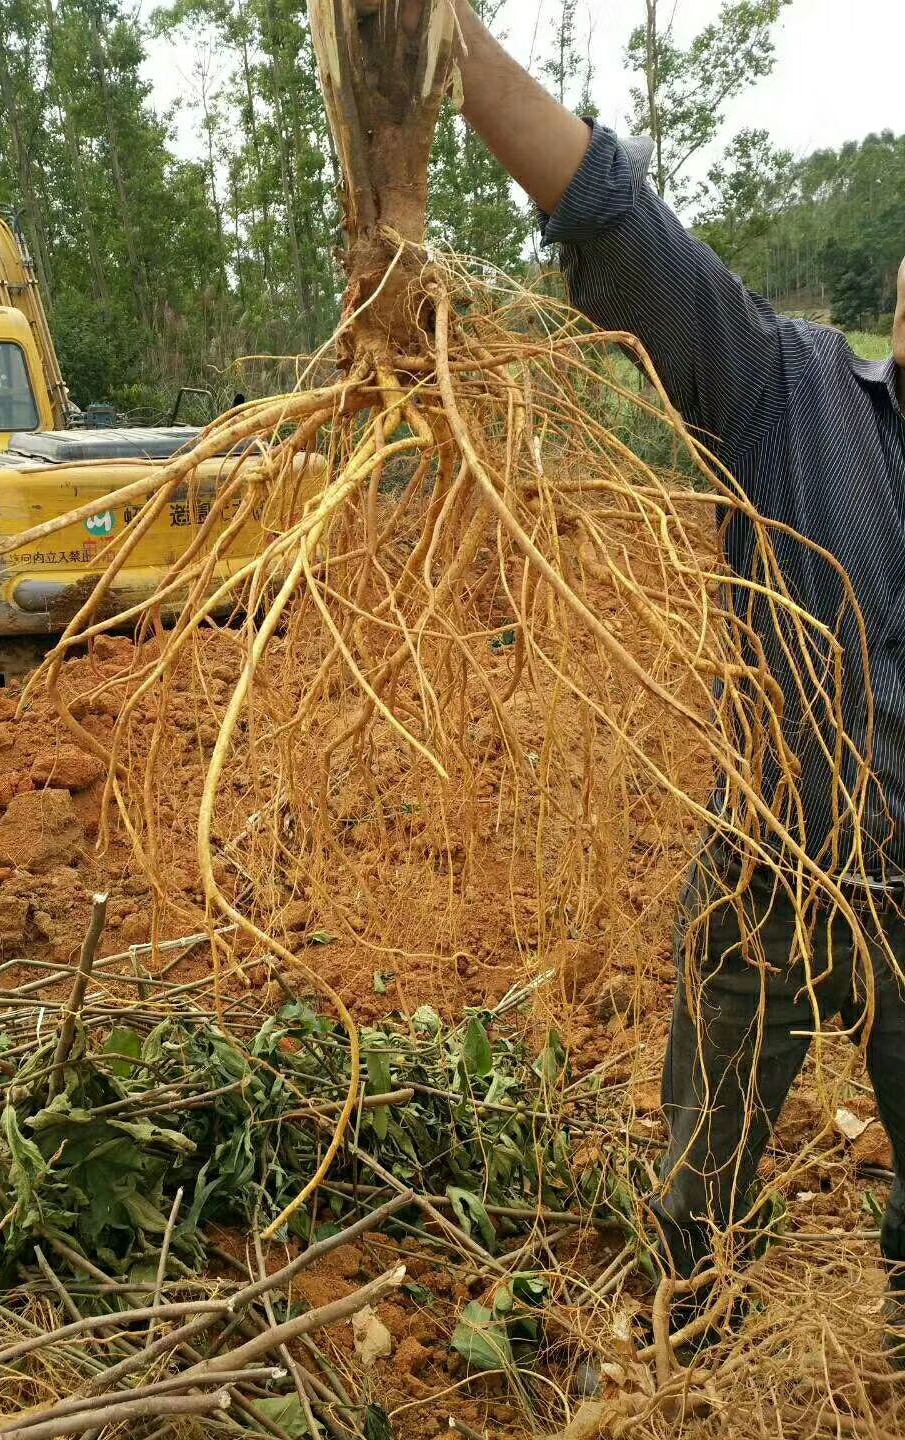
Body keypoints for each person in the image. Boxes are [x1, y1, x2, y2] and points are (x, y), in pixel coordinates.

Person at [358, 0, 905, 1338]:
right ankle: (687, 1339)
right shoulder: (792, 387)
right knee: (694, 1195)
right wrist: (448, 41)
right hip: (770, 860)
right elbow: (616, 222)